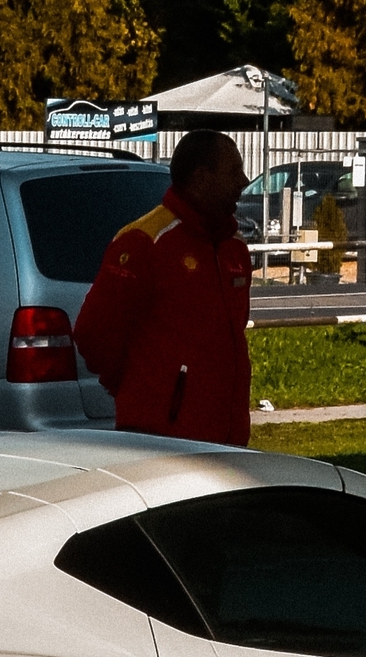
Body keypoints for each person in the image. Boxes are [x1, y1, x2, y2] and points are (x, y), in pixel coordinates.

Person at [73, 131, 255, 446]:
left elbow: (233, 333)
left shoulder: (234, 248)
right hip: (160, 435)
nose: (244, 180)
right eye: (233, 171)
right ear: (202, 177)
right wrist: (140, 387)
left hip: (227, 438)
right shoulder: (145, 241)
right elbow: (94, 332)